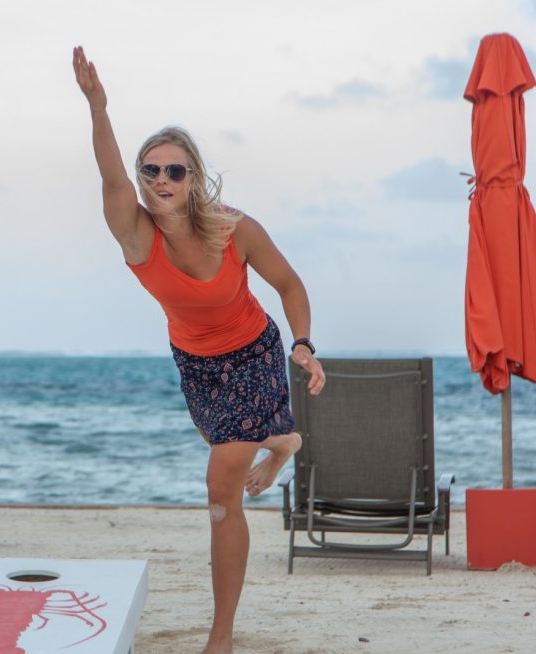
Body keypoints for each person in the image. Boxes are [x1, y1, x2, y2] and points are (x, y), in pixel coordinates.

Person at [72, 47, 325, 654]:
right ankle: (284, 439)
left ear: (195, 178)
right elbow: (108, 176)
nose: (161, 180)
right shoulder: (134, 235)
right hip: (196, 365)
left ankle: (220, 636)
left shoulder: (235, 229)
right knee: (235, 460)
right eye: (151, 170)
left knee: (220, 490)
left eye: (175, 171)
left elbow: (289, 285)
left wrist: (303, 344)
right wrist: (98, 107)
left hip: (256, 352)